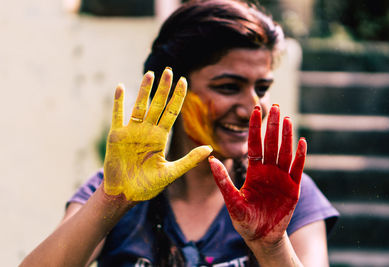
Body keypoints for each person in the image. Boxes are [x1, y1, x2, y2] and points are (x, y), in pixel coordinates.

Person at [20, 0, 338, 266]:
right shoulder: (114, 190)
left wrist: (272, 247)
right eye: (228, 87)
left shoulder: (284, 196)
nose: (250, 108)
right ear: (172, 93)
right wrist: (111, 201)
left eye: (263, 87)